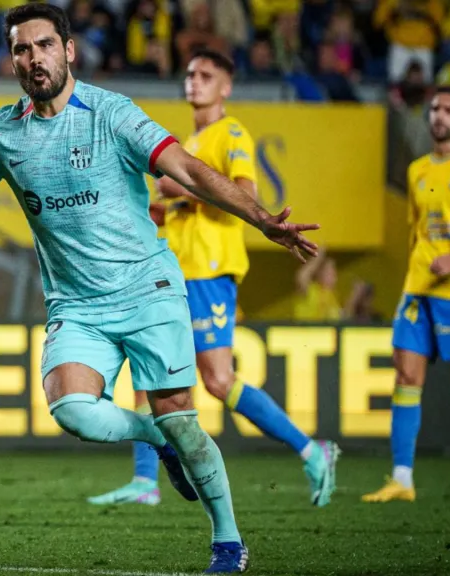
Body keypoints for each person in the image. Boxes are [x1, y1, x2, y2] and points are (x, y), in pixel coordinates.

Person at [0, 5, 318, 573]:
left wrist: (260, 218)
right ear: (12, 60)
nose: (34, 58)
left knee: (181, 415)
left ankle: (227, 541)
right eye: (21, 49)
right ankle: (159, 437)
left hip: (148, 288)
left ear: (69, 50)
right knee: (74, 409)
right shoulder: (4, 132)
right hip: (77, 305)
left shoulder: (112, 114)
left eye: (45, 45)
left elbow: (188, 169)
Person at [88, 49, 339, 510]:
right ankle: (145, 481)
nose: (194, 80)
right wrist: (156, 211)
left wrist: (183, 188)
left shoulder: (231, 133)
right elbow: (185, 209)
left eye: (206, 75)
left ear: (226, 87)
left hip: (210, 272)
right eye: (189, 73)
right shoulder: (192, 140)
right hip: (174, 274)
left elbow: (244, 193)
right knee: (147, 371)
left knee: (219, 381)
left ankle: (311, 449)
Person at [362, 86, 450, 504]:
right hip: (418, 289)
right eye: (434, 109)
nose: (438, 116)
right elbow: (417, 231)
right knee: (405, 376)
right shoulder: (418, 170)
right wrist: (413, 276)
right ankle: (402, 479)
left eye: (449, 110)